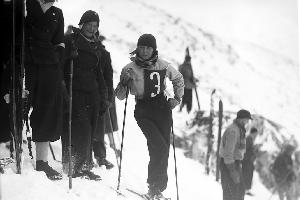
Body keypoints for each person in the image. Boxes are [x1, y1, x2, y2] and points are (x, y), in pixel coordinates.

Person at [115, 33, 184, 199]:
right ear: (137, 48)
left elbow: (179, 78)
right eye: (142, 47)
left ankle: (157, 189)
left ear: (154, 49)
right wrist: (124, 82)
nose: (145, 51)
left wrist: (177, 98)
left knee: (162, 149)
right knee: (159, 147)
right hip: (143, 111)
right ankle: (153, 187)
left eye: (148, 47)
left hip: (162, 108)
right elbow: (120, 96)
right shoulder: (129, 68)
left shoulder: (164, 65)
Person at [61, 10, 108, 180]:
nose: (92, 28)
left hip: (93, 93)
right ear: (82, 24)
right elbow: (60, 66)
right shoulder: (71, 41)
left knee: (91, 129)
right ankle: (73, 165)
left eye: (95, 26)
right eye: (89, 24)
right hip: (76, 91)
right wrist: (64, 90)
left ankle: (85, 165)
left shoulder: (96, 45)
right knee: (81, 129)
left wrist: (104, 97)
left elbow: (99, 73)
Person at [24, 0, 65, 180]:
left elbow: (58, 42)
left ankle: (42, 162)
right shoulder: (23, 6)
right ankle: (9, 154)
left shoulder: (57, 12)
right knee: (18, 106)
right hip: (26, 64)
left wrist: (59, 58)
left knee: (46, 113)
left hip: (49, 67)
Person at [91, 31, 115, 170]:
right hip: (84, 93)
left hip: (100, 96)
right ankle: (86, 156)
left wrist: (109, 98)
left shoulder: (104, 54)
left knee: (99, 130)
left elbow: (109, 77)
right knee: (86, 130)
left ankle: (101, 157)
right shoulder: (79, 49)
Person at [219, 109, 252, 200]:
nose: (247, 122)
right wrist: (233, 171)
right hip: (229, 165)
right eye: (246, 120)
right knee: (231, 193)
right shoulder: (233, 131)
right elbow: (228, 153)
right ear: (241, 119)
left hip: (235, 164)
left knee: (239, 192)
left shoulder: (239, 130)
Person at [178, 47, 196, 113]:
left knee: (189, 100)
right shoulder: (182, 66)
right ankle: (182, 109)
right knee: (185, 98)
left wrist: (194, 80)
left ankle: (188, 110)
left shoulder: (189, 67)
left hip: (189, 86)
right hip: (185, 85)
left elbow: (190, 76)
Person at [242, 127, 258, 196]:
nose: (256, 136)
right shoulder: (248, 139)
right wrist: (254, 150)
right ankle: (244, 189)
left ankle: (246, 189)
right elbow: (245, 150)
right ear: (253, 133)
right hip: (247, 161)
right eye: (256, 134)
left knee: (248, 175)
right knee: (247, 174)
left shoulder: (250, 139)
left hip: (248, 161)